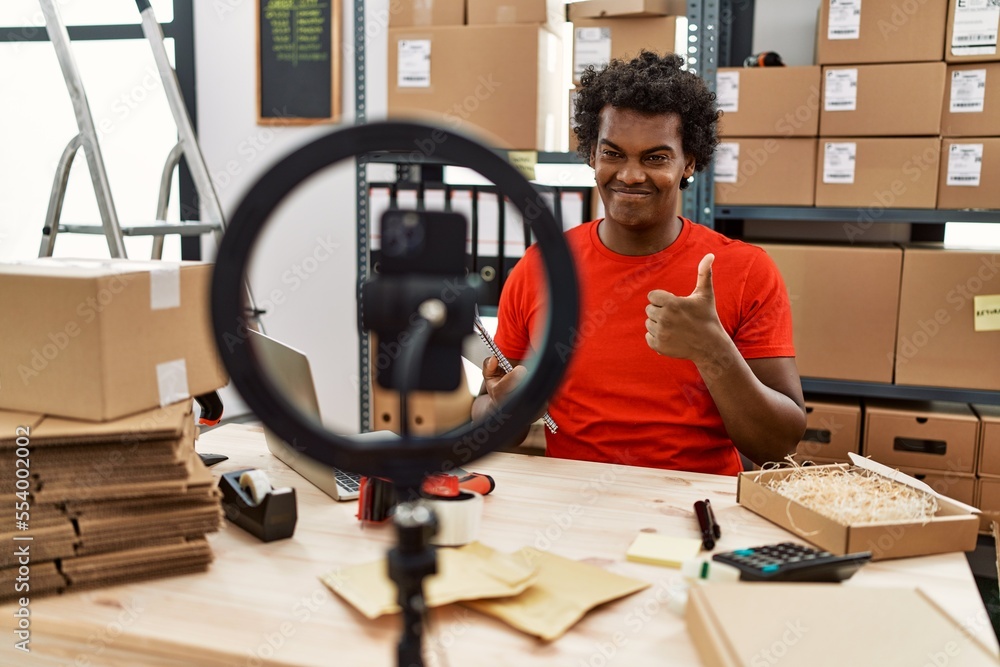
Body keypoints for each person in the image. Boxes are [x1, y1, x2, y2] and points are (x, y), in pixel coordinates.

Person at [470, 51, 806, 475]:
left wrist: (712, 350)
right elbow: (488, 415)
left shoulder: (745, 270)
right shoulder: (542, 268)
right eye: (613, 153)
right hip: (572, 511)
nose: (630, 175)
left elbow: (778, 444)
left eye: (655, 158)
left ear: (690, 163)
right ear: (591, 155)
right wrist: (504, 408)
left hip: (697, 512)